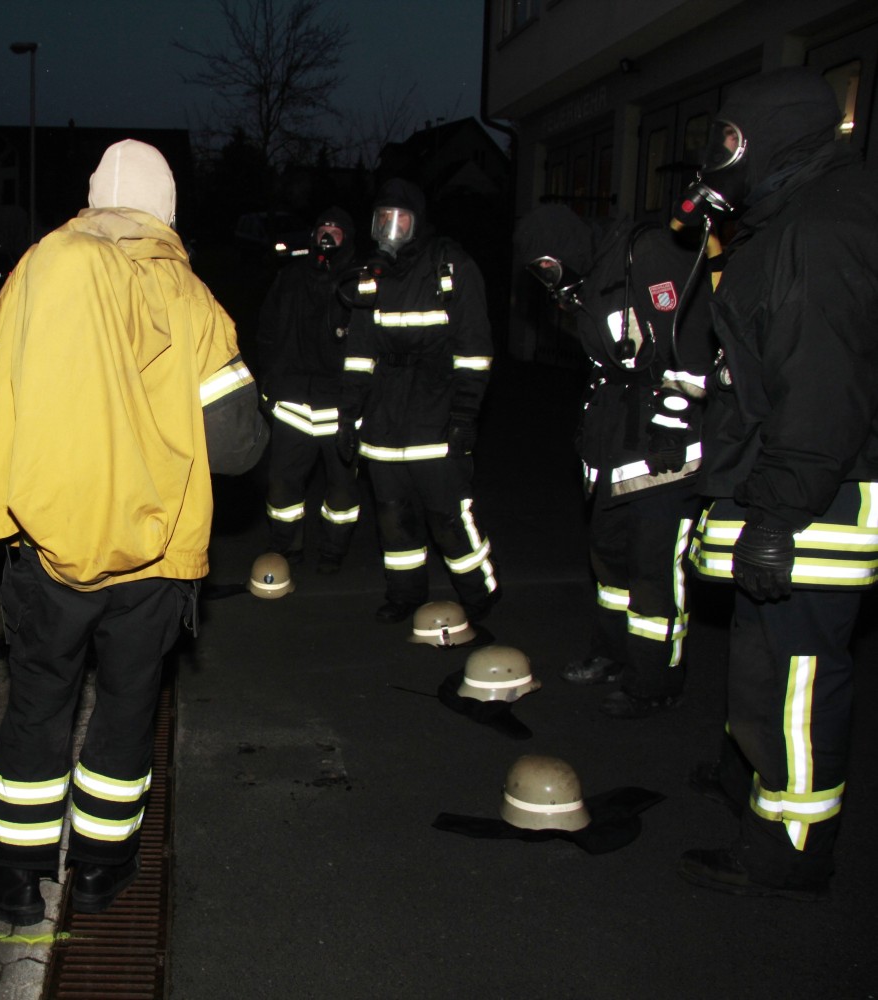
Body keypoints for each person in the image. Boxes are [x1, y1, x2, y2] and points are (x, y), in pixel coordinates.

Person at [0, 139, 266, 923]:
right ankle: (99, 871)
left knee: (38, 706)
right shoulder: (194, 300)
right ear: (168, 209)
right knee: (127, 708)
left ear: (92, 197)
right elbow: (237, 448)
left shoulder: (37, 274)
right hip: (155, 563)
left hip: (48, 551)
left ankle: (15, 879)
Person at [676, 67, 878, 899]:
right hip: (787, 489)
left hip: (814, 503)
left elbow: (825, 385)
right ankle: (754, 785)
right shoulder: (795, 216)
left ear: (779, 137)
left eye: (733, 141)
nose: (720, 157)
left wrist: (778, 513)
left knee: (797, 680)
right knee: (762, 666)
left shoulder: (822, 228)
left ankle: (790, 850)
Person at [514, 206, 715, 718]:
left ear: (568, 245)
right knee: (609, 557)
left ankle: (655, 681)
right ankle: (611, 653)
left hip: (665, 446)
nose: (547, 276)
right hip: (616, 443)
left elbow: (693, 338)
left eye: (548, 264)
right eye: (538, 270)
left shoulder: (646, 254)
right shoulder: (588, 276)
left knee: (653, 569)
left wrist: (675, 418)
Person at [341, 179, 499, 624]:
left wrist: (465, 413)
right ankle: (405, 595)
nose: (390, 229)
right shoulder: (370, 275)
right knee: (393, 517)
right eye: (382, 220)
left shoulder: (451, 266)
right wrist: (349, 415)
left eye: (401, 220)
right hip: (383, 417)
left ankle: (480, 595)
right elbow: (359, 351)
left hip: (436, 410)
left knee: (448, 517)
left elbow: (474, 350)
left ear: (419, 222)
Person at [254, 206, 362, 573]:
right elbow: (267, 330)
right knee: (282, 486)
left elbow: (370, 343)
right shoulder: (290, 277)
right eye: (322, 230)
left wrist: (361, 398)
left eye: (336, 231)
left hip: (340, 407)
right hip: (293, 403)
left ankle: (333, 552)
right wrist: (269, 380)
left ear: (348, 238)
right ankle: (286, 549)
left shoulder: (358, 282)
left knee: (342, 491)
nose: (327, 237)